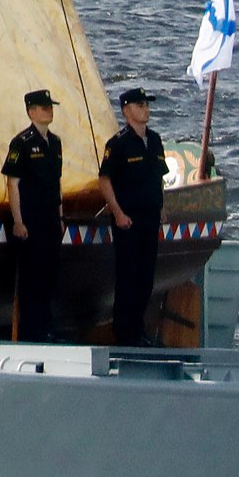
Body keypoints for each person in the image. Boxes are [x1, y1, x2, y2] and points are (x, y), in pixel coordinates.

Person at [98, 87, 168, 347]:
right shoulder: (118, 144)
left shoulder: (155, 140)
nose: (145, 109)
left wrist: (161, 206)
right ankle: (124, 332)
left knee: (145, 277)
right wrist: (117, 212)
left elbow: (158, 176)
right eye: (140, 105)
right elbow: (104, 180)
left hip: (150, 217)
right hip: (128, 219)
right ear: (127, 111)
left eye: (147, 105)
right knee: (128, 276)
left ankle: (138, 329)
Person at [3, 88, 67, 342]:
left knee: (50, 275)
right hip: (31, 218)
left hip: (51, 216)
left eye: (50, 106)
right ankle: (33, 331)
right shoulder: (22, 143)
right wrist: (18, 220)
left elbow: (57, 182)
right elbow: (13, 183)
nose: (49, 110)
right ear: (31, 112)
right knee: (33, 277)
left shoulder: (55, 142)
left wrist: (61, 216)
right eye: (43, 107)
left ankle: (46, 328)